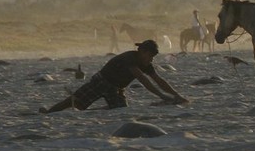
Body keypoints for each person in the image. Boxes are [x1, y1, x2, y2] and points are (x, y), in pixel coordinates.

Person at [39, 40, 188, 113]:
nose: (152, 59)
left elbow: (158, 80)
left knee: (119, 109)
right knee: (75, 102)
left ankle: (93, 111)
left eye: (153, 56)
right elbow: (143, 80)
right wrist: (162, 96)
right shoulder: (130, 58)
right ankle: (49, 112)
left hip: (117, 88)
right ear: (142, 51)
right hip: (101, 82)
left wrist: (176, 95)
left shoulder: (146, 63)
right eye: (150, 55)